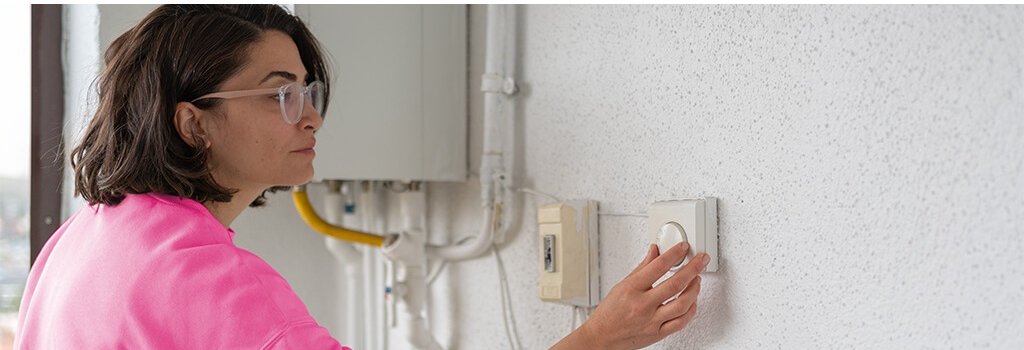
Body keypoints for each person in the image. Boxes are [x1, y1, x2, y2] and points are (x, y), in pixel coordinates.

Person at [15, 5, 708, 349]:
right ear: (193, 122)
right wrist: (597, 337)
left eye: (309, 92)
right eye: (280, 92)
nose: (310, 117)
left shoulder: (80, 241)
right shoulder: (206, 275)